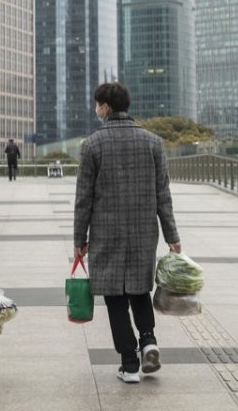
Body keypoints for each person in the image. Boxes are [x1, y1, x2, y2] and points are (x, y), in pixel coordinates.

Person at [73, 82, 180, 384]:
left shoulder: (93, 145)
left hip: (106, 234)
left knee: (115, 299)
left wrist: (79, 240)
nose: (96, 109)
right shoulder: (153, 142)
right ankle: (148, 340)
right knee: (139, 290)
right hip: (143, 233)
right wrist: (172, 235)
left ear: (105, 106)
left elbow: (84, 198)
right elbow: (163, 195)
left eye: (97, 104)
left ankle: (129, 363)